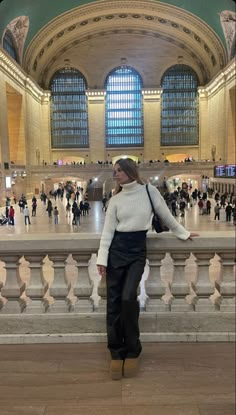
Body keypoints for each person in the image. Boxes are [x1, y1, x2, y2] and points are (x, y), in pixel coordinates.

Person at [96, 158, 198, 381]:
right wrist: (102, 259)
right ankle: (116, 351)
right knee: (113, 303)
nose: (116, 174)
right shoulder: (116, 199)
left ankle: (133, 348)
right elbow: (107, 232)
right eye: (115, 171)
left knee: (127, 298)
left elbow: (167, 217)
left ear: (131, 171)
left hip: (136, 252)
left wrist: (184, 232)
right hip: (116, 252)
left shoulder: (149, 191)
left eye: (120, 170)